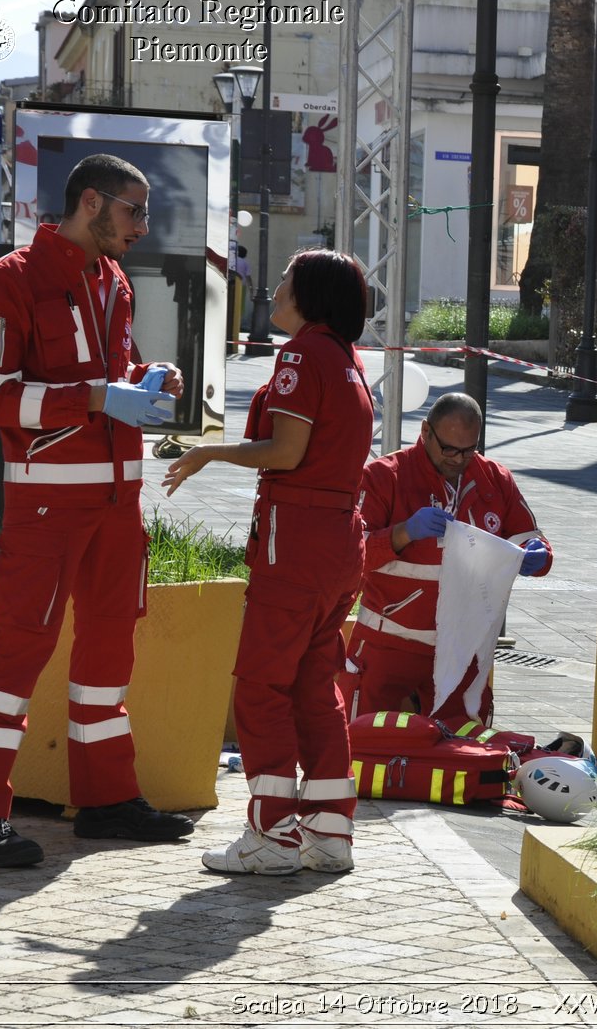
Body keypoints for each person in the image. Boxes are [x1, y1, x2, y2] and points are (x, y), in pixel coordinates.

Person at [0, 154, 189, 868]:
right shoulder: (10, 280)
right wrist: (93, 396)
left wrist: (147, 380)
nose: (142, 228)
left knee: (108, 657)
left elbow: (110, 378)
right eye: (133, 212)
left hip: (119, 504)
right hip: (48, 505)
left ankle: (108, 801)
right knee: (17, 650)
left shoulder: (111, 280)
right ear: (91, 203)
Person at [164, 249, 374, 875]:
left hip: (298, 541)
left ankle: (273, 835)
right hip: (339, 541)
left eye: (285, 280)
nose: (274, 289)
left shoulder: (303, 354)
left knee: (261, 685)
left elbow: (285, 452)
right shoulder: (347, 362)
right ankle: (330, 834)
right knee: (316, 684)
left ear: (308, 295)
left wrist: (211, 454)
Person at [347, 391, 552, 726]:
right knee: (363, 744)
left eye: (469, 450)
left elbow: (531, 538)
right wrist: (403, 533)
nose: (458, 459)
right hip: (388, 643)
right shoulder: (385, 476)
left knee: (464, 748)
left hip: (462, 647)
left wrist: (538, 555)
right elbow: (351, 554)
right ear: (426, 432)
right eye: (450, 449)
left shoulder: (494, 480)